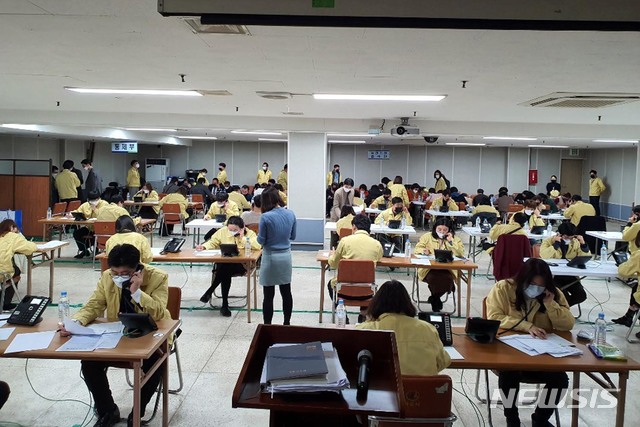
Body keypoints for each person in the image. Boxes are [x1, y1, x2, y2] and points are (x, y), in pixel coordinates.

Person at [61, 244, 171, 427]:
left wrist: (137, 292)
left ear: (137, 268)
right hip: (118, 334)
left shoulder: (157, 277)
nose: (119, 277)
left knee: (156, 362)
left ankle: (137, 414)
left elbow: (159, 313)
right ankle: (108, 411)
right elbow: (94, 304)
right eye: (115, 272)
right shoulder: (107, 277)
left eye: (125, 273)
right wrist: (77, 322)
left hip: (152, 334)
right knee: (89, 362)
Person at [486, 258, 574, 427]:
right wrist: (527, 326)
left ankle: (540, 418)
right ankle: (512, 418)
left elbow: (568, 324)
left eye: (540, 286)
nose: (536, 289)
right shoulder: (503, 288)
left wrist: (550, 304)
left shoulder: (553, 294)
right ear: (522, 279)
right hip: (510, 352)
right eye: (532, 284)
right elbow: (494, 317)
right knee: (508, 374)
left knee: (560, 380)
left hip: (543, 356)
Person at [357, 280, 451, 375]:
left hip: (385, 388)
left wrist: (369, 320)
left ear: (375, 305)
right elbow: (443, 362)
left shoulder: (366, 330)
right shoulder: (428, 329)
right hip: (422, 389)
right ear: (407, 303)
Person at [196, 216, 262, 315]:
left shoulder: (250, 233)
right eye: (230, 229)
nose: (232, 232)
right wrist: (204, 246)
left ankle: (211, 291)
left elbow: (257, 246)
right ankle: (224, 305)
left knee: (224, 269)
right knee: (226, 268)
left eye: (235, 230)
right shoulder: (223, 231)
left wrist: (242, 238)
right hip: (225, 264)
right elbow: (213, 242)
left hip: (242, 265)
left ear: (242, 227)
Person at [328, 215, 382, 322]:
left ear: (354, 227)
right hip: (367, 293)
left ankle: (343, 314)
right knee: (366, 281)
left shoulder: (344, 241)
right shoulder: (377, 244)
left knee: (330, 284)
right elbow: (378, 258)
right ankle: (363, 314)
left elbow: (334, 264)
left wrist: (331, 256)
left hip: (344, 291)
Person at [257, 187, 296, 325]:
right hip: (285, 257)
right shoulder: (290, 214)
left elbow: (260, 240)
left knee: (268, 295)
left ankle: (267, 325)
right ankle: (287, 323)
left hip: (270, 257)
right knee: (286, 292)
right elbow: (293, 236)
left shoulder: (265, 217)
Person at [414, 218, 465, 312]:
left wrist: (450, 242)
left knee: (448, 280)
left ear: (449, 230)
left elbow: (460, 253)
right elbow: (417, 248)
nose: (442, 232)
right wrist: (423, 251)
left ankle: (434, 298)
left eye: (445, 230)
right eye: (439, 229)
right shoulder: (427, 236)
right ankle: (436, 299)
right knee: (434, 278)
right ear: (435, 228)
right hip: (429, 269)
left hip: (447, 269)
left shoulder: (455, 239)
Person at [539, 222, 590, 306]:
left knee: (581, 296)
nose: (569, 239)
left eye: (571, 237)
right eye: (566, 237)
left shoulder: (575, 242)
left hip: (570, 276)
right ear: (559, 234)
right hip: (553, 276)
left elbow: (585, 257)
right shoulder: (548, 241)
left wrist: (583, 245)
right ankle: (562, 312)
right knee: (563, 295)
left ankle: (563, 309)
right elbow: (544, 255)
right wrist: (555, 245)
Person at [0, 219, 37, 310]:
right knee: (16, 271)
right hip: (2, 272)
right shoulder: (13, 236)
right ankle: (5, 302)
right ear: (12, 228)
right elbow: (30, 248)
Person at [72, 190, 108, 258]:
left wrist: (95, 209)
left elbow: (104, 216)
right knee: (76, 233)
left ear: (98, 198)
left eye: (94, 200)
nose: (92, 202)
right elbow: (78, 211)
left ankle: (96, 252)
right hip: (89, 227)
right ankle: (84, 250)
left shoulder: (105, 204)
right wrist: (72, 214)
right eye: (90, 200)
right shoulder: (86, 204)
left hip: (100, 229)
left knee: (95, 236)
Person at [612, 243, 640, 331]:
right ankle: (629, 316)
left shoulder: (638, 255)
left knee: (637, 291)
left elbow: (624, 272)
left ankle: (630, 316)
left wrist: (623, 264)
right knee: (636, 287)